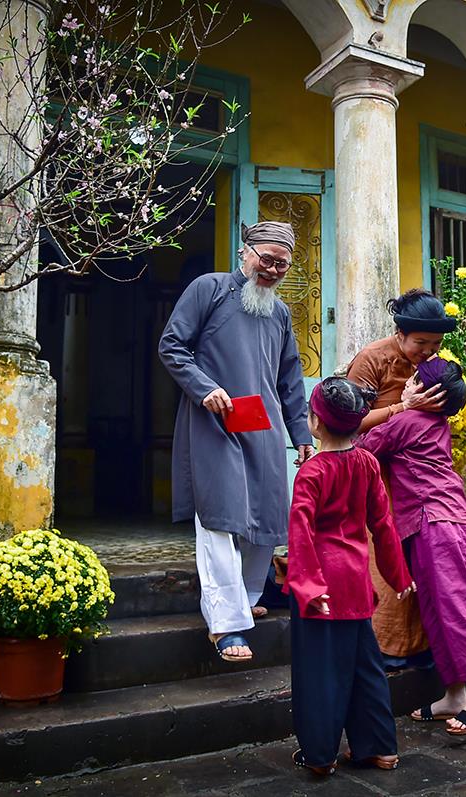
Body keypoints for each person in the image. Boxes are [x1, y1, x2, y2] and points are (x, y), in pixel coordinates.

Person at [158, 221, 315, 664]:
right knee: (220, 517)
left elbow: (290, 379)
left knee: (267, 520)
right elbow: (172, 346)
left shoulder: (280, 313)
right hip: (214, 421)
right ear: (245, 252)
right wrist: (203, 387)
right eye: (266, 260)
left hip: (262, 427)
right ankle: (226, 624)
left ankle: (245, 598)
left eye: (282, 265)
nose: (272, 270)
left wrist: (299, 433)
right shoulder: (209, 289)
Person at [356, 357, 466, 736]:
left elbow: (363, 447)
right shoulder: (436, 421)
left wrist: (401, 405)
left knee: (454, 603)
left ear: (424, 391)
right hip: (434, 522)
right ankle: (454, 693)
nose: (407, 383)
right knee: (435, 609)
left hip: (436, 520)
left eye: (414, 380)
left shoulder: (407, 421)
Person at [285, 377, 416, 776]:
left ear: (316, 424)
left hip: (321, 585)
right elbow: (384, 524)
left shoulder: (311, 473)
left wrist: (308, 587)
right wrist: (398, 576)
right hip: (357, 582)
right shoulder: (367, 463)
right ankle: (379, 748)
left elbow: (300, 531)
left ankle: (320, 756)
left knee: (319, 673)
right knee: (366, 669)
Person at [345, 289, 452, 669]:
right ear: (400, 333)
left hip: (415, 476)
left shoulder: (432, 364)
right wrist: (402, 407)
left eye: (435, 344)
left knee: (415, 560)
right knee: (382, 556)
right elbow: (349, 422)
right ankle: (384, 648)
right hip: (373, 471)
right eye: (421, 343)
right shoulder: (372, 359)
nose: (428, 352)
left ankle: (416, 647)